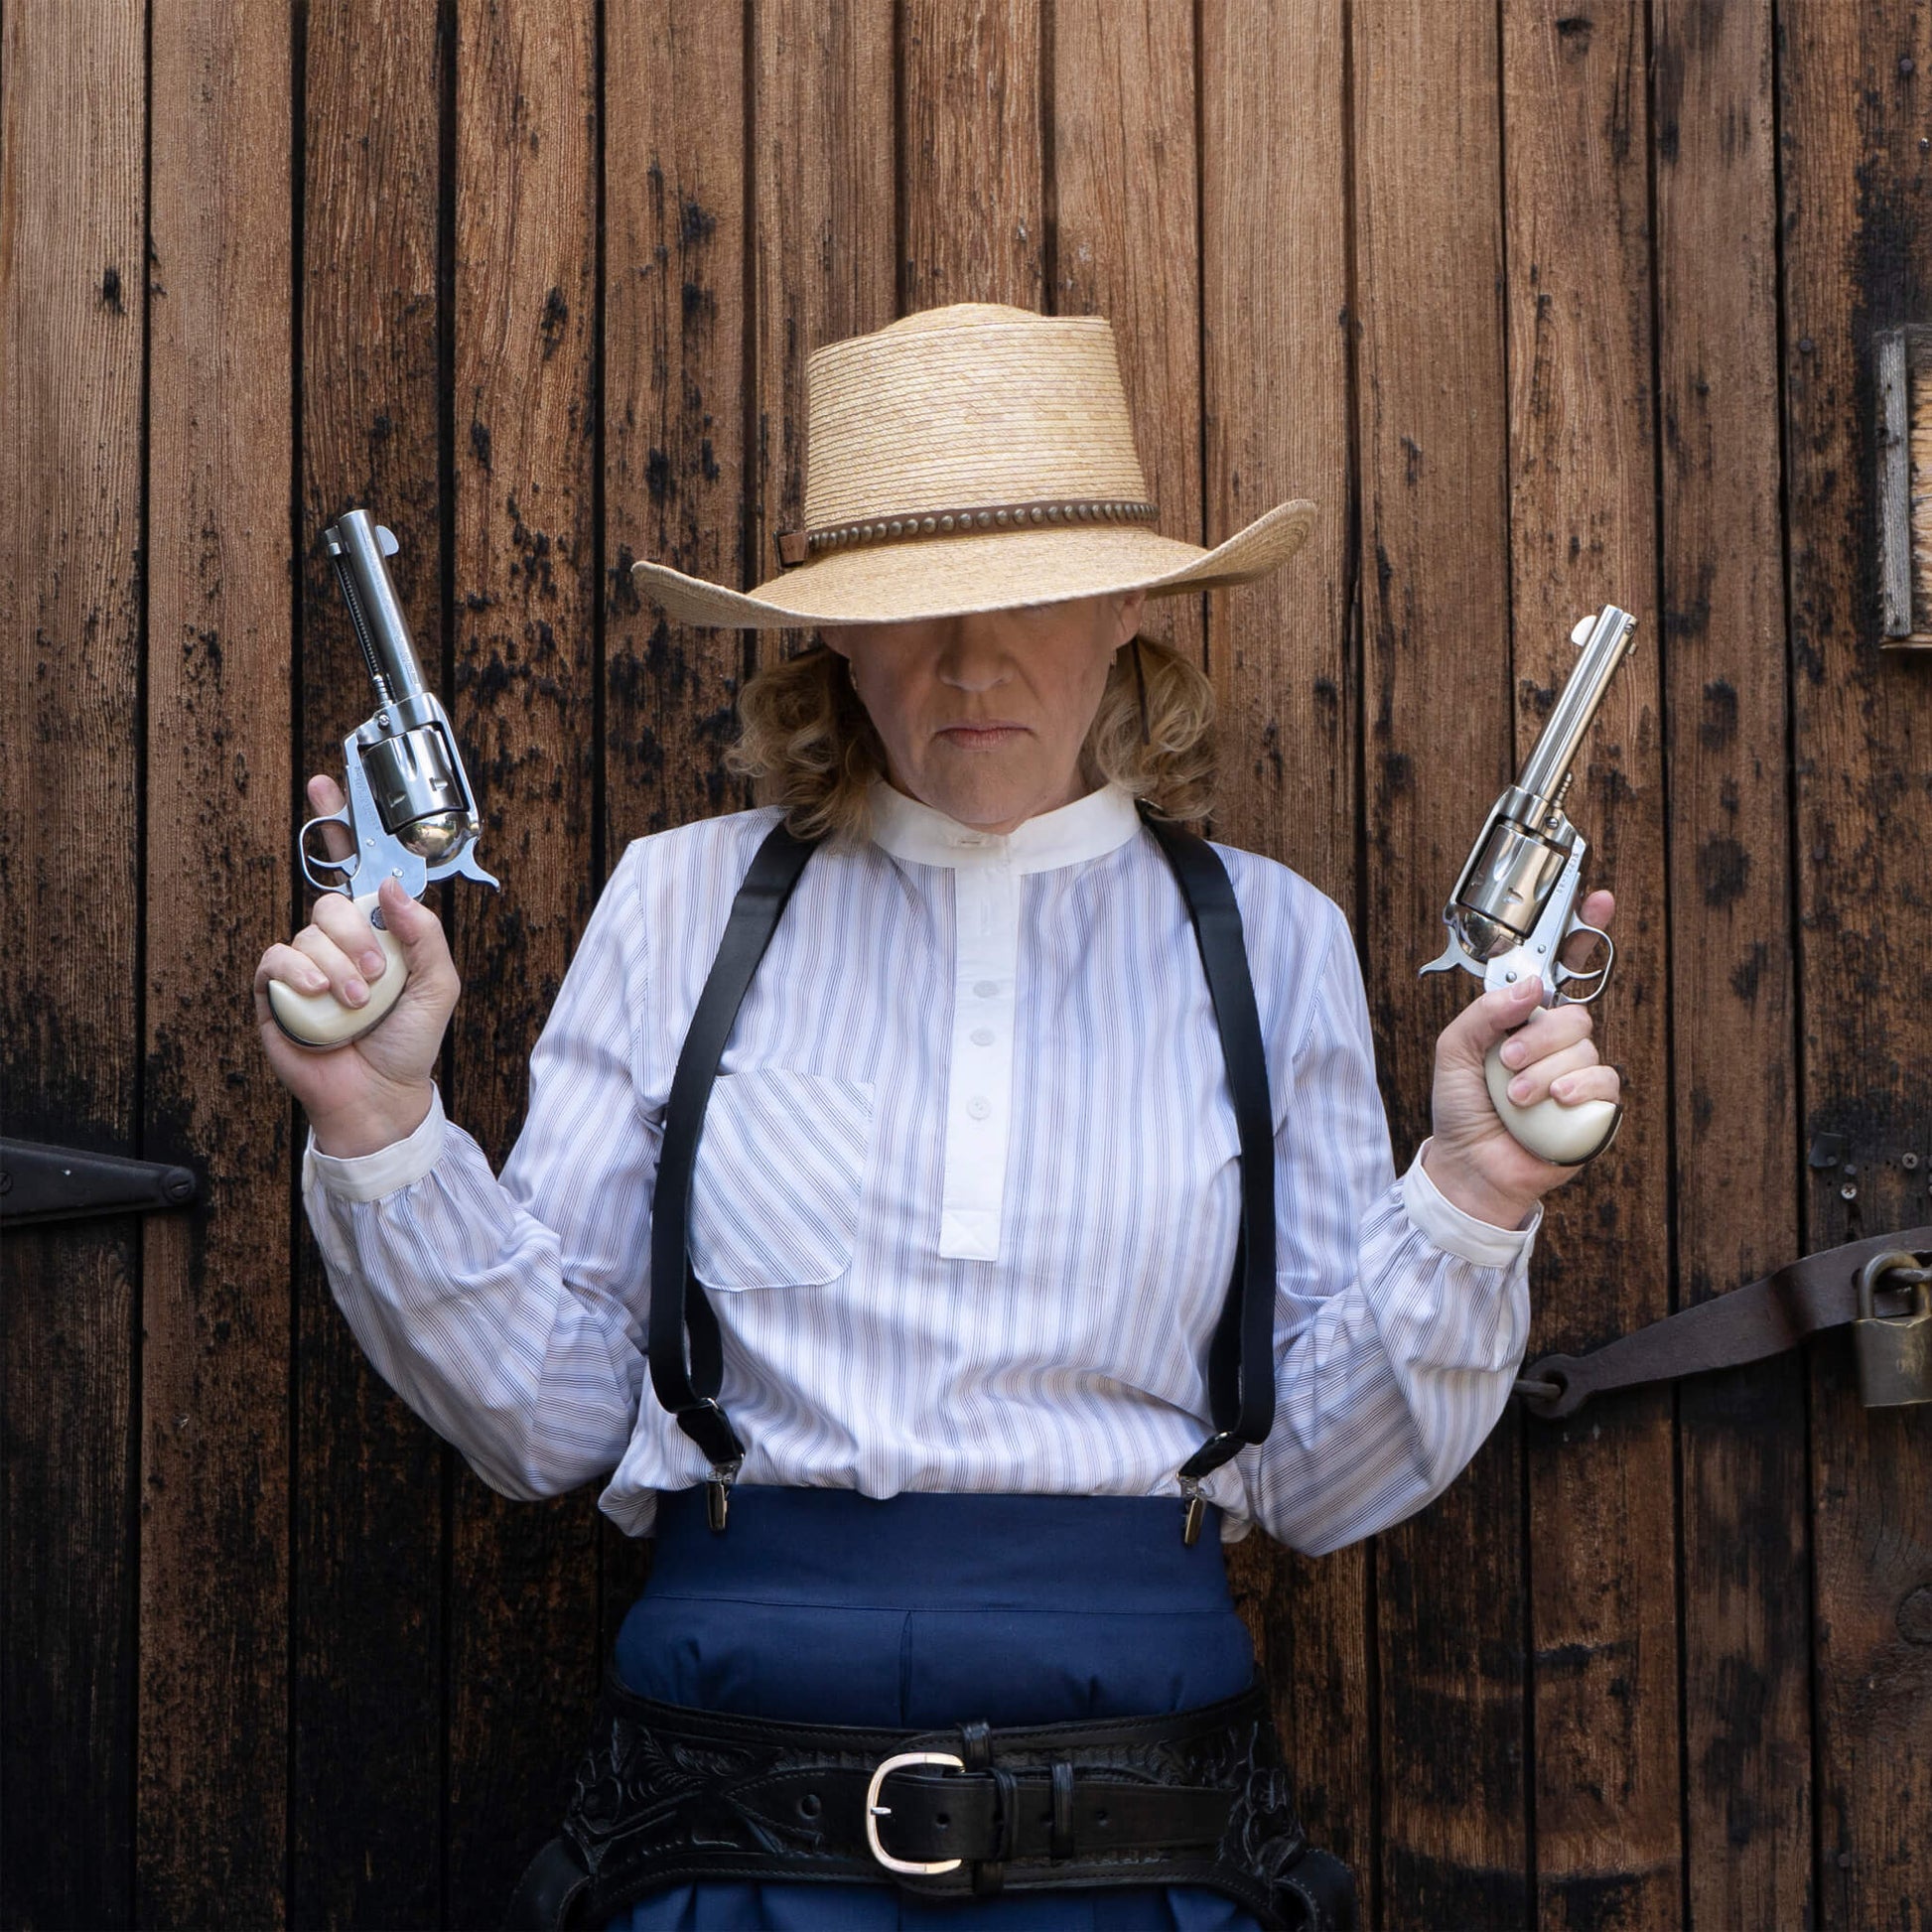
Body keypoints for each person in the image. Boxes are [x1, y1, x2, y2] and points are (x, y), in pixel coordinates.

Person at [255, 303, 1619, 1930]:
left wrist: (1473, 1193)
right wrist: (382, 1124)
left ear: (1130, 604)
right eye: (909, 609)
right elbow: (552, 1423)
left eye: (1030, 597)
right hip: (724, 1820)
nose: (971, 661)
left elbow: (1318, 1480)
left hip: (1142, 1818)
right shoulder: (678, 903)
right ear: (829, 636)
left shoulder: (1272, 936)